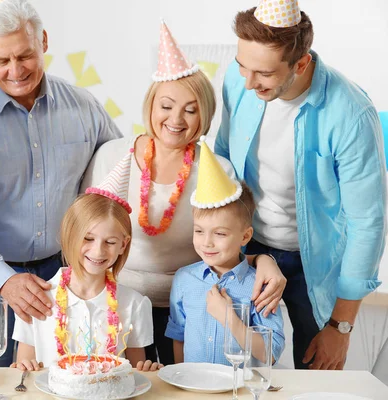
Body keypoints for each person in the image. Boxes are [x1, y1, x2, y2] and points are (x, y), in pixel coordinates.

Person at [82, 20, 286, 365]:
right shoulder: (111, 156)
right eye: (166, 106)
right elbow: (84, 233)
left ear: (203, 115)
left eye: (190, 110)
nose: (176, 119)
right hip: (121, 302)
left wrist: (264, 259)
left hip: (196, 302)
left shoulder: (218, 169)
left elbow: (231, 240)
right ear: (150, 106)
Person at [0, 0, 122, 367]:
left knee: (65, 375)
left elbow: (113, 178)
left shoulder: (83, 107)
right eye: (2, 61)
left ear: (44, 41)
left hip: (64, 269)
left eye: (25, 55)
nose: (16, 70)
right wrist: (5, 280)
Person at [215, 0, 386, 370]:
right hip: (250, 246)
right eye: (242, 65)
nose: (247, 82)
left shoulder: (352, 114)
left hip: (317, 263)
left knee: (317, 374)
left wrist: (341, 327)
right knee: (237, 364)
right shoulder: (238, 80)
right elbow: (225, 158)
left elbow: (367, 222)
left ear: (301, 63)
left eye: (263, 73)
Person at [11, 154, 160, 371]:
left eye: (110, 241)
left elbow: (135, 374)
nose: (98, 251)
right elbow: (24, 371)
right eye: (88, 239)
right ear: (70, 235)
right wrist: (23, 367)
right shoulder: (37, 299)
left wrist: (147, 372)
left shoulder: (134, 305)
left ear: (123, 245)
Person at [166, 138, 284, 366]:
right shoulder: (184, 279)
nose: (207, 243)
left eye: (219, 234)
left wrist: (229, 317)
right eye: (199, 231)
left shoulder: (259, 286)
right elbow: (178, 336)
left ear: (245, 236)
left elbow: (270, 352)